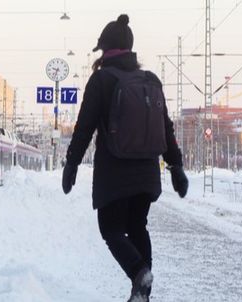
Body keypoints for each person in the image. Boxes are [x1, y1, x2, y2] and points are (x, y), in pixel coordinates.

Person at [61, 14, 189, 302]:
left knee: (111, 229)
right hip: (147, 173)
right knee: (136, 227)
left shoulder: (101, 79)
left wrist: (71, 163)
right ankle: (142, 293)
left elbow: (84, 127)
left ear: (105, 51)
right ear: (130, 50)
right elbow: (165, 127)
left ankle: (139, 275)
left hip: (115, 173)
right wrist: (176, 165)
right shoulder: (150, 80)